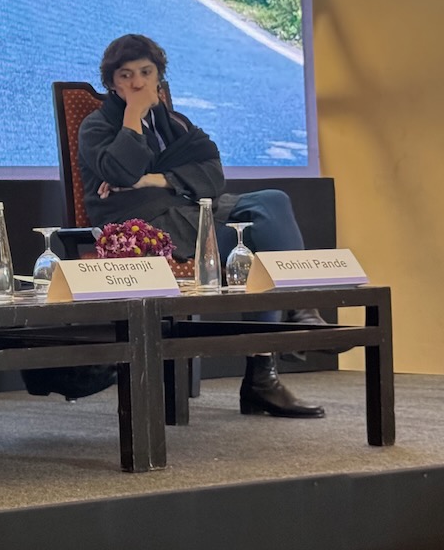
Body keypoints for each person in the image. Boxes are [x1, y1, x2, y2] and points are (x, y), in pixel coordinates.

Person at [77, 33, 327, 419]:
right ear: (112, 83)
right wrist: (132, 118)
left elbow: (213, 173)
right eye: (126, 76)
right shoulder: (97, 126)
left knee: (272, 201)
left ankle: (299, 309)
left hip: (194, 209)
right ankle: (266, 371)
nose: (138, 84)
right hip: (150, 228)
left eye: (146, 73)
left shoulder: (172, 121)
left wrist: (155, 179)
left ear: (159, 76)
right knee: (259, 244)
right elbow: (119, 170)